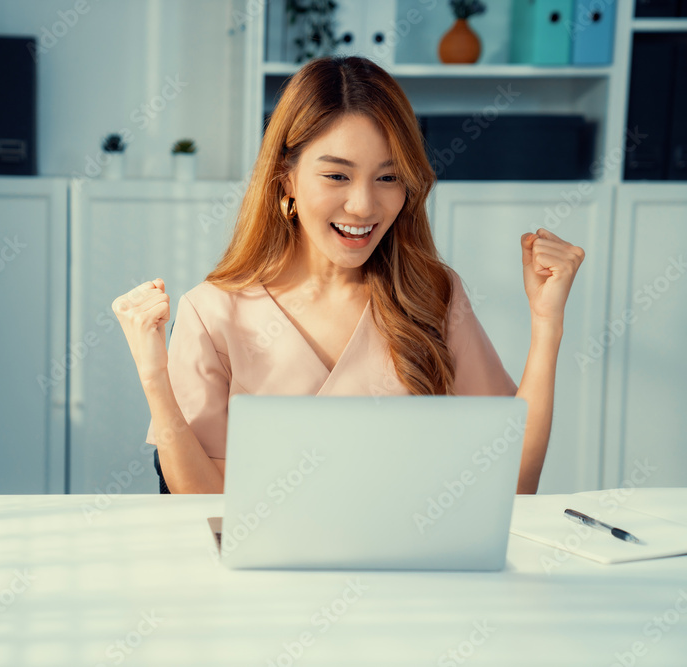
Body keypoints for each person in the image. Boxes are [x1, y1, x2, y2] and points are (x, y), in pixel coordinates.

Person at [111, 55, 584, 495]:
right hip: (266, 584)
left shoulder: (433, 295)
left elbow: (512, 487)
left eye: (388, 177)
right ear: (286, 181)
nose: (363, 205)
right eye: (337, 176)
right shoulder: (212, 312)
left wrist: (547, 324)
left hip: (409, 577)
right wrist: (155, 378)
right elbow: (203, 503)